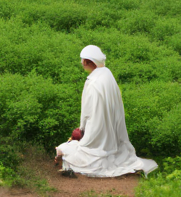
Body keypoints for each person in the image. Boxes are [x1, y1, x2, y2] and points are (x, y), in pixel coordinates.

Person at [55, 45, 158, 177]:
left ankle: (62, 155)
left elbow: (87, 112)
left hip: (96, 133)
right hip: (113, 135)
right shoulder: (108, 75)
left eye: (82, 61)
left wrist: (81, 129)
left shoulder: (92, 82)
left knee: (69, 149)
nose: (82, 64)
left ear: (87, 62)